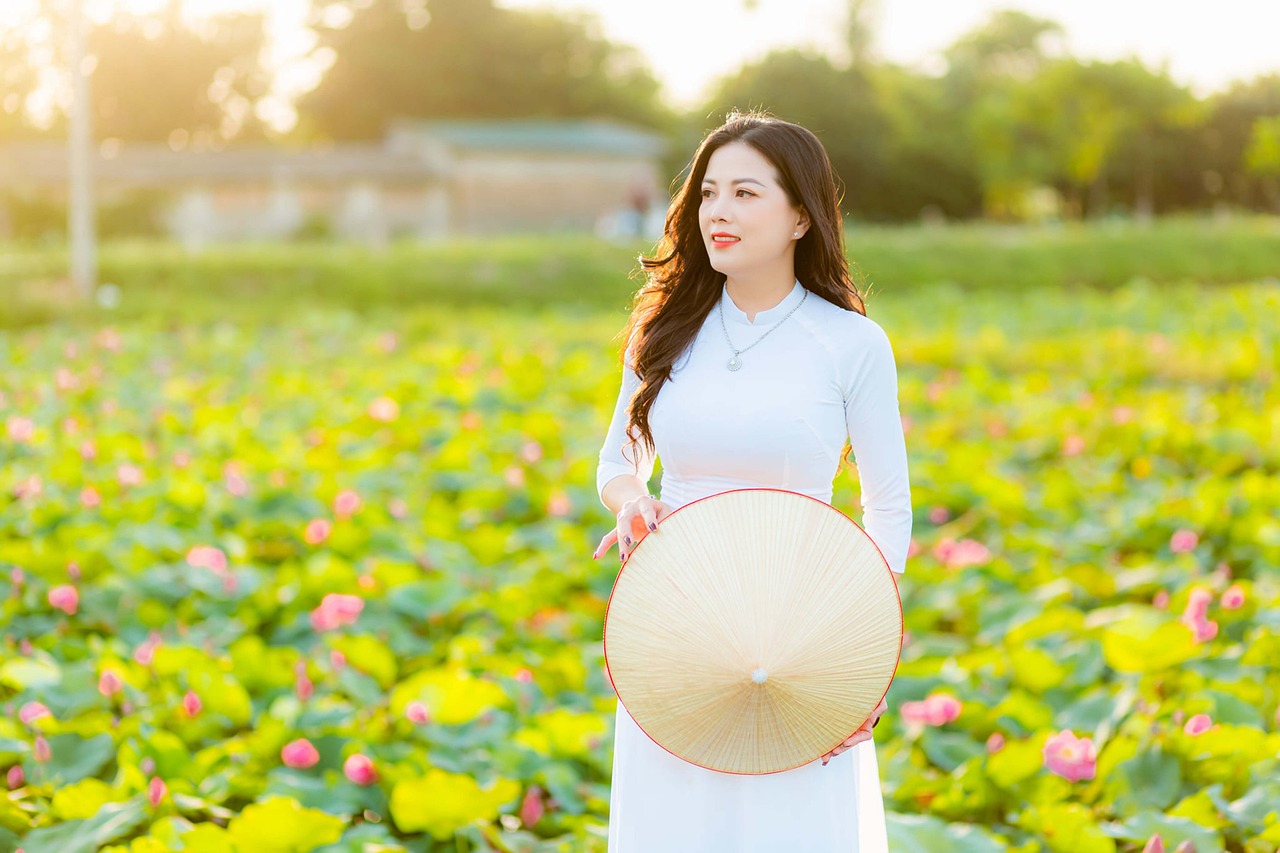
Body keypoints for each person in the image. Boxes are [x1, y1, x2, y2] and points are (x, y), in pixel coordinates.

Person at [590, 110, 913, 852]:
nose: (717, 212)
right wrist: (633, 498)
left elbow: (888, 507)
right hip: (674, 612)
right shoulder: (665, 329)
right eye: (707, 193)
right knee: (673, 824)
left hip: (800, 620)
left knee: (790, 825)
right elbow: (617, 462)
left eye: (744, 193)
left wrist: (863, 648)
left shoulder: (851, 343)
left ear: (801, 214)